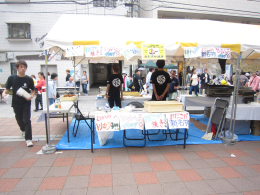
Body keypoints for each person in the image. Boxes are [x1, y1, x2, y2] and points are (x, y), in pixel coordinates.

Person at [2, 60, 35, 147]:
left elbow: (33, 90)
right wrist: (4, 93)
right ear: (17, 68)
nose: (23, 69)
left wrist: (31, 96)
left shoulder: (29, 79)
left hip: (26, 102)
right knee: (19, 119)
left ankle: (28, 139)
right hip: (16, 102)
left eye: (24, 67)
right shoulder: (12, 78)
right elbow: (7, 88)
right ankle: (22, 129)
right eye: (21, 67)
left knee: (27, 120)